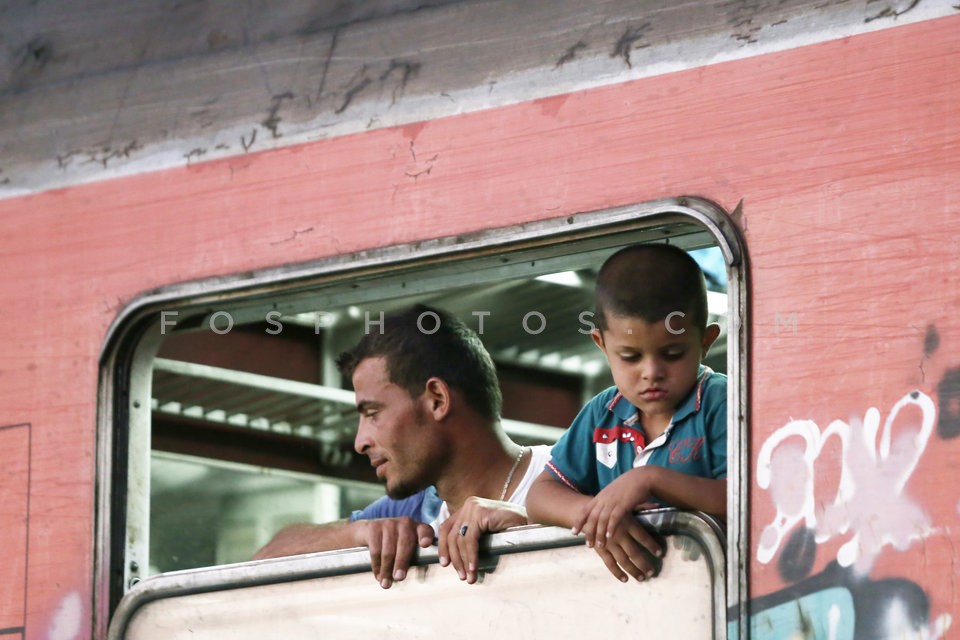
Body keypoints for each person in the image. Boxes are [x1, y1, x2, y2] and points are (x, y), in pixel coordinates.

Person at [253, 304, 552, 589]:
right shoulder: (412, 512)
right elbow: (264, 560)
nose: (360, 442)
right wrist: (359, 532)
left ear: (437, 399)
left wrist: (531, 523)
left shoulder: (574, 469)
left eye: (372, 414)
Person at [526, 243, 726, 584]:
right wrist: (598, 517)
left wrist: (649, 479)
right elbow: (539, 496)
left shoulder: (720, 402)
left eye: (673, 353)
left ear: (705, 341)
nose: (651, 372)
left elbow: (746, 496)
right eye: (631, 357)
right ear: (602, 345)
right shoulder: (601, 414)